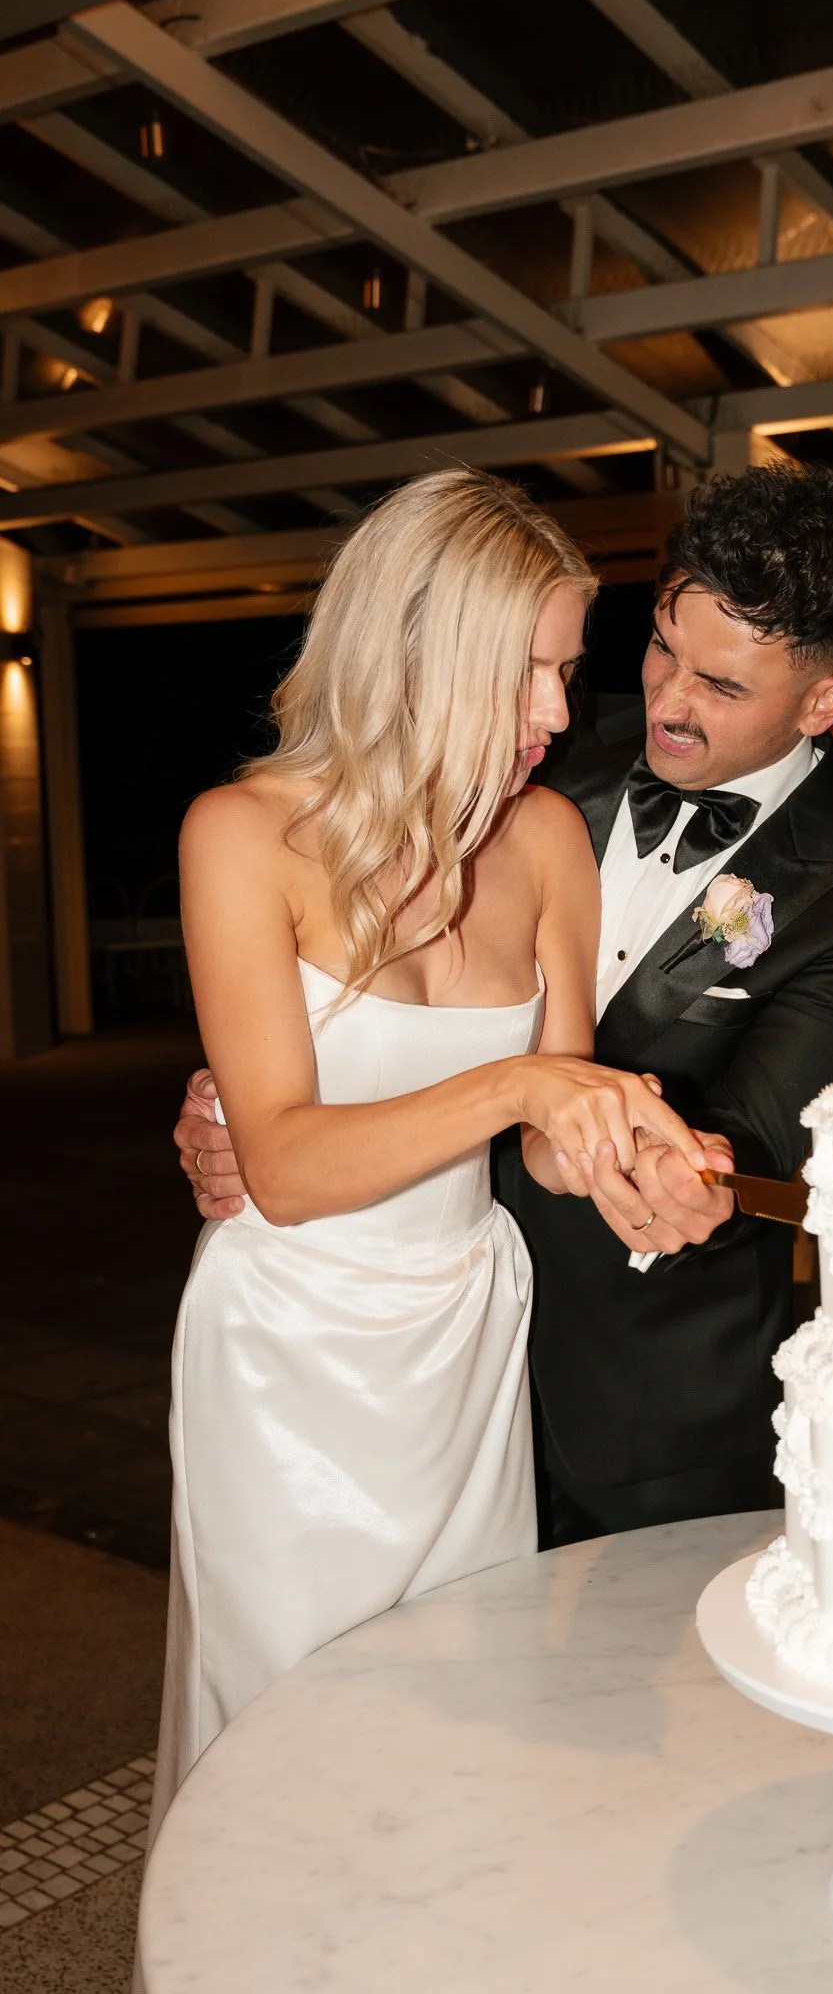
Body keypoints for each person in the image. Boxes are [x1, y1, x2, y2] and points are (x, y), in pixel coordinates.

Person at [178, 463, 833, 1545]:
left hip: (637, 1396)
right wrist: (247, 1098)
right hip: (326, 1346)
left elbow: (750, 1140)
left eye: (722, 687)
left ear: (821, 701)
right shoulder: (539, 755)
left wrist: (670, 1166)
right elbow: (335, 1007)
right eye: (661, 649)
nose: (667, 702)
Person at [148, 466, 708, 1835]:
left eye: (568, 673)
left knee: (460, 1709)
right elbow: (279, 1162)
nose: (556, 716)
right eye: (525, 672)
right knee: (289, 1722)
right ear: (410, 650)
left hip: (463, 1328)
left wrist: (641, 1164)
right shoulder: (243, 836)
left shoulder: (548, 839)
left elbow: (554, 1138)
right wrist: (523, 1079)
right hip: (288, 1347)